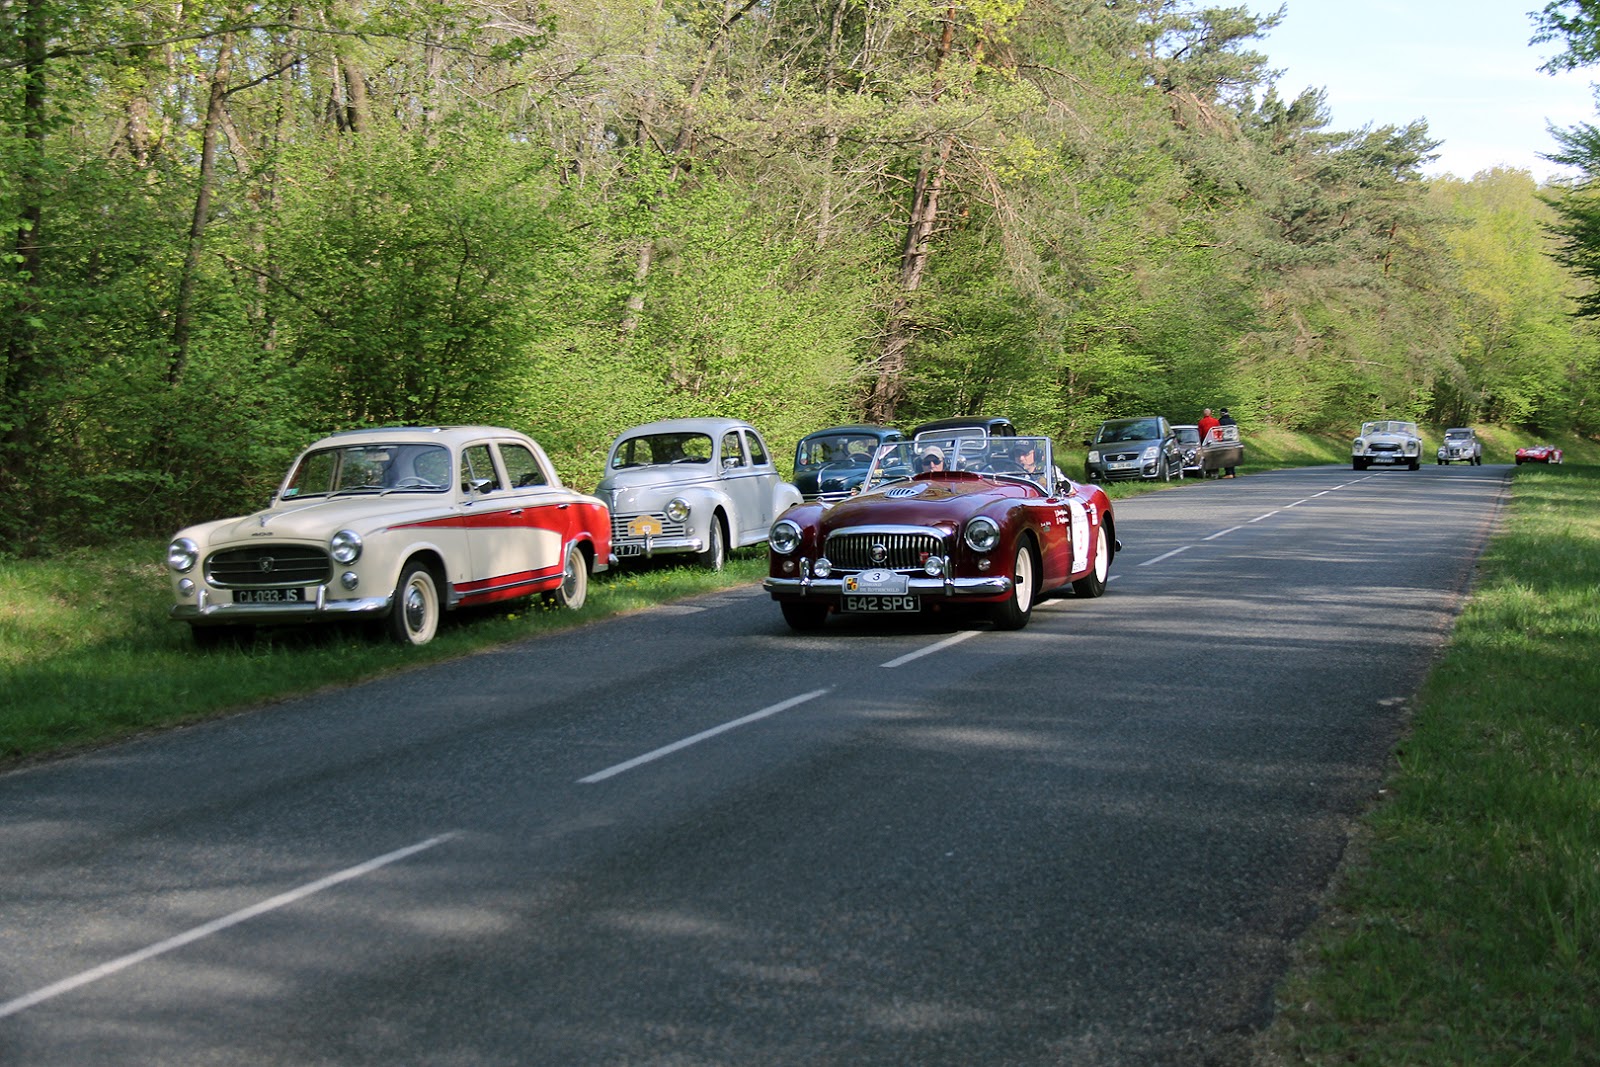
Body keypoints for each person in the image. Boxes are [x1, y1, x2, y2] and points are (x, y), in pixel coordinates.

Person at [1218, 408, 1238, 478]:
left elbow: (1219, 431)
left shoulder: (1220, 421)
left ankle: (1228, 473)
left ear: (1222, 413)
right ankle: (1233, 472)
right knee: (1232, 456)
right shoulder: (1232, 421)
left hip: (1225, 441)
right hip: (1232, 440)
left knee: (1225, 457)